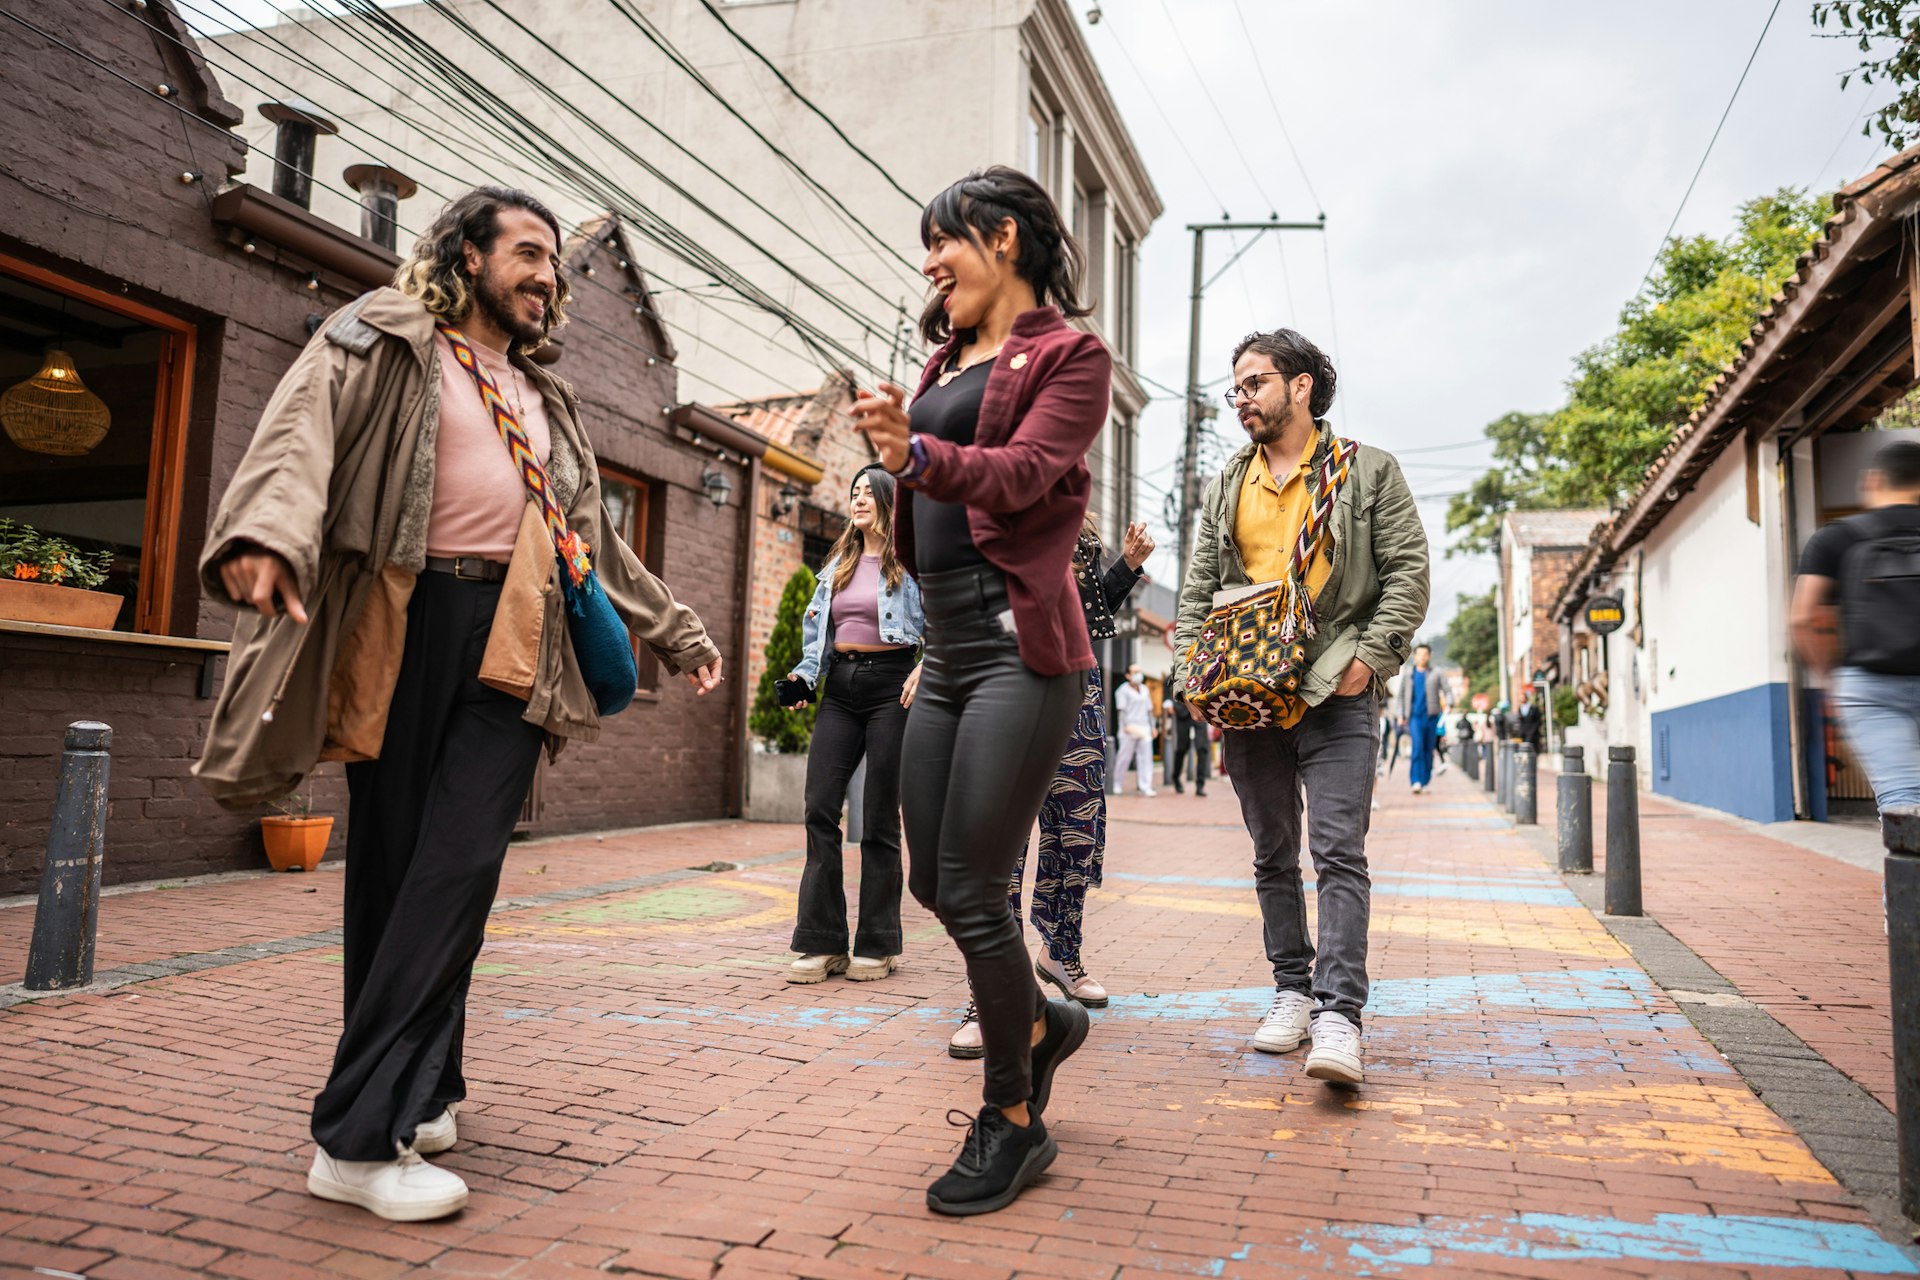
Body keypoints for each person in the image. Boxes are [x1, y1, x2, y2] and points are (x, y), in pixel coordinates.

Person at [193, 187, 723, 1221]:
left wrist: (679, 632)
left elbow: (595, 545)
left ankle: (366, 1123)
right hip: (398, 622)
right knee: (393, 873)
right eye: (528, 253)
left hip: (515, 638)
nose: (546, 277)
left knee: (459, 864)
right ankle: (403, 1100)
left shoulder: (544, 398)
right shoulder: (387, 336)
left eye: (554, 265)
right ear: (467, 255)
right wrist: (264, 532)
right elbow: (303, 428)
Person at [851, 165, 1104, 1215]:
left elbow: (1018, 474)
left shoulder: (1070, 358)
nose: (929, 265)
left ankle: (1012, 1117)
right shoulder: (944, 355)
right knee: (932, 886)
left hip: (1018, 646)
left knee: (970, 887)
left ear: (1001, 237)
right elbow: (930, 491)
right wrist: (899, 450)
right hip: (942, 651)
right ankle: (1046, 1018)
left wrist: (913, 450)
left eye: (941, 242)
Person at [1172, 327, 1428, 1087]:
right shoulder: (1227, 483)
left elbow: (1408, 572)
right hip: (1248, 697)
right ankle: (1290, 988)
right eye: (1236, 388)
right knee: (1271, 853)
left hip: (1336, 694)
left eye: (1254, 383)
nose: (1241, 399)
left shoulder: (1366, 472)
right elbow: (1195, 594)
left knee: (1338, 850)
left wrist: (1370, 657)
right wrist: (1194, 671)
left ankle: (1339, 1014)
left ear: (1302, 385)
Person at [949, 518, 1151, 1056]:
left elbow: (1089, 613)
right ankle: (988, 992)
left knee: (1075, 833)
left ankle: (1062, 953)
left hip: (1075, 689)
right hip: (1006, 685)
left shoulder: (1076, 526)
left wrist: (1126, 567)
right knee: (1002, 850)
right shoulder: (987, 515)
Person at [784, 468, 926, 983]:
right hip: (840, 689)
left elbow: (943, 625)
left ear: (890, 502)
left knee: (879, 815)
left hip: (893, 685)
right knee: (820, 807)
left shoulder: (912, 563)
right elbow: (818, 640)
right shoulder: (837, 566)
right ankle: (823, 942)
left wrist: (924, 668)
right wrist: (802, 679)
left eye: (869, 491)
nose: (858, 498)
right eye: (854, 491)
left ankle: (878, 942)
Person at [1791, 440, 1920, 812]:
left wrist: (1830, 678)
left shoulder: (1838, 537)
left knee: (1902, 800)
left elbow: (1802, 618)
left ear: (1873, 480)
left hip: (1870, 687)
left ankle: (1902, 870)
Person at [1394, 643, 1445, 794]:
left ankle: (1425, 781)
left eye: (1425, 654)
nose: (1422, 657)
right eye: (1419, 654)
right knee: (1417, 748)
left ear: (1429, 656)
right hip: (1414, 717)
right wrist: (1400, 715)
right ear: (1415, 656)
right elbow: (1401, 696)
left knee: (1428, 749)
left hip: (1431, 717)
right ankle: (1416, 781)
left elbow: (1447, 690)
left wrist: (1449, 703)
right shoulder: (1409, 674)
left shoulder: (1436, 672)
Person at [1112, 664, 1158, 796]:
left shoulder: (1145, 689)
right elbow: (1121, 711)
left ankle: (1146, 786)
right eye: (1135, 672)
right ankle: (1117, 784)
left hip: (1144, 727)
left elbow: (1149, 711)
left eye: (1139, 671)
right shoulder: (1122, 691)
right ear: (1127, 675)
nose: (1139, 674)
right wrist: (1126, 725)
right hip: (1129, 728)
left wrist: (1153, 727)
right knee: (1124, 758)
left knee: (1146, 758)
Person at [1172, 689, 1211, 797]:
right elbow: (1170, 683)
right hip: (1182, 713)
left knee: (1202, 748)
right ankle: (1176, 777)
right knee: (1181, 748)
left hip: (1199, 711)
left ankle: (1200, 785)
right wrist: (1170, 704)